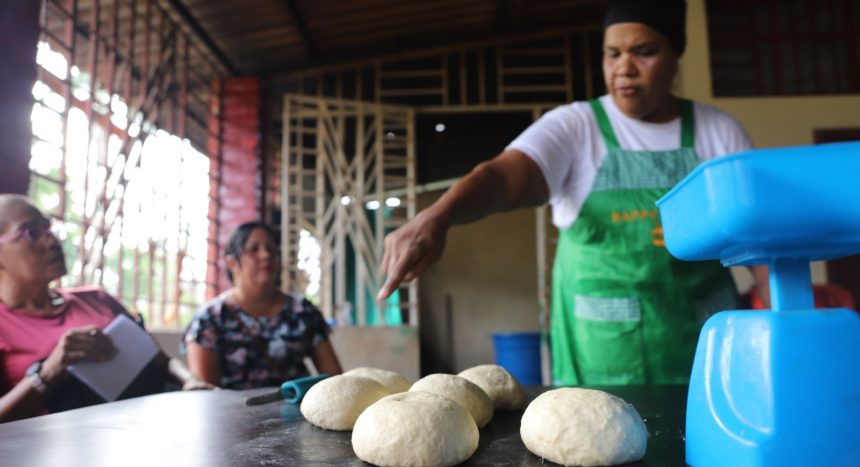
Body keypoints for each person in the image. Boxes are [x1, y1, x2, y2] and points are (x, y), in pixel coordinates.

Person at [377, 0, 766, 386]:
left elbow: (758, 239)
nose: (624, 68)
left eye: (644, 52)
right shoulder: (577, 127)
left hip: (704, 343)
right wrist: (441, 214)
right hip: (602, 351)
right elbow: (501, 177)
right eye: (612, 54)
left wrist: (781, 312)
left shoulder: (719, 131)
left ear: (675, 54)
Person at [0, 194, 212, 423]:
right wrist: (48, 372)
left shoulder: (97, 298)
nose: (51, 241)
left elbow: (158, 358)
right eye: (32, 232)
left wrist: (190, 380)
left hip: (150, 423)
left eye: (49, 229)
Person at [183, 222, 342, 389]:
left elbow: (334, 380)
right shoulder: (210, 319)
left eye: (271, 249)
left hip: (297, 413)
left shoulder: (302, 311)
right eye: (253, 249)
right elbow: (207, 392)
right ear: (232, 263)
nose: (265, 255)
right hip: (233, 414)